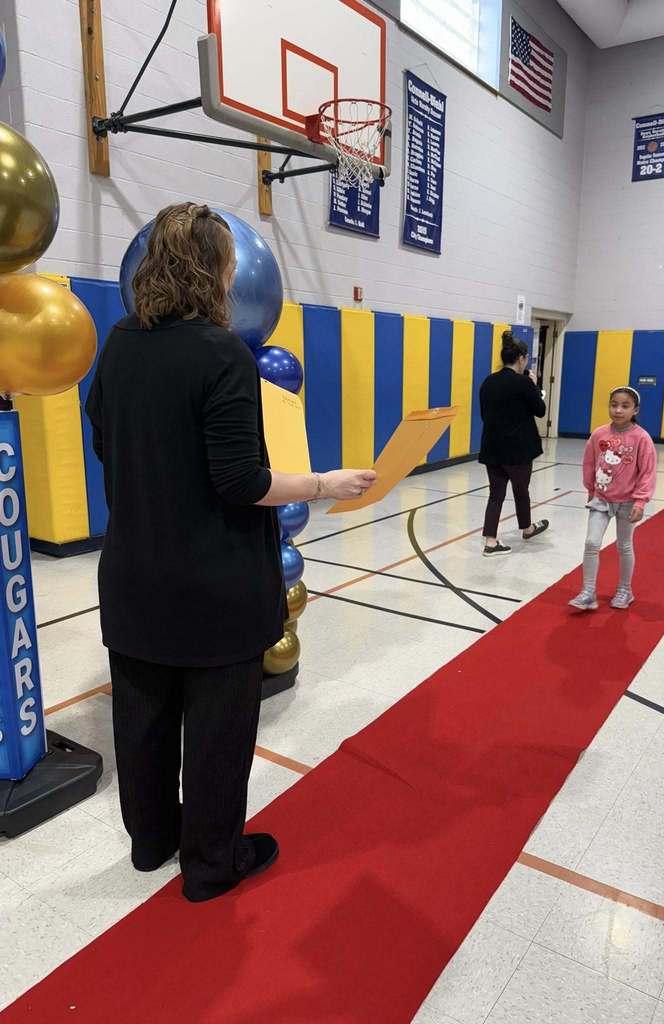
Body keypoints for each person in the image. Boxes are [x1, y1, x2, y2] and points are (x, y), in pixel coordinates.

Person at [85, 202, 376, 903]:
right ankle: (213, 861)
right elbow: (241, 481)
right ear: (216, 271)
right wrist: (323, 482)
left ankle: (151, 841)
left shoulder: (120, 342)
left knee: (144, 721)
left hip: (133, 575)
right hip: (213, 583)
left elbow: (105, 444)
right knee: (217, 732)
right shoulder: (223, 354)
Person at [569, 386, 656, 611]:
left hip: (628, 502)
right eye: (614, 405)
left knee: (624, 545)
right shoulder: (599, 434)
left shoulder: (641, 438)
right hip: (601, 499)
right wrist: (590, 488)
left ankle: (625, 590)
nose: (618, 410)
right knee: (591, 542)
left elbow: (648, 471)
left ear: (635, 409)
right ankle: (588, 591)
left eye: (625, 406)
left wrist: (640, 500)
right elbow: (589, 462)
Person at [479, 335, 549, 556]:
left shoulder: (488, 381)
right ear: (521, 358)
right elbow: (540, 410)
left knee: (495, 495)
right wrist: (534, 386)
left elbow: (484, 414)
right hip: (518, 450)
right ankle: (527, 528)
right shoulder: (523, 383)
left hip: (492, 448)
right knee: (521, 491)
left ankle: (490, 541)